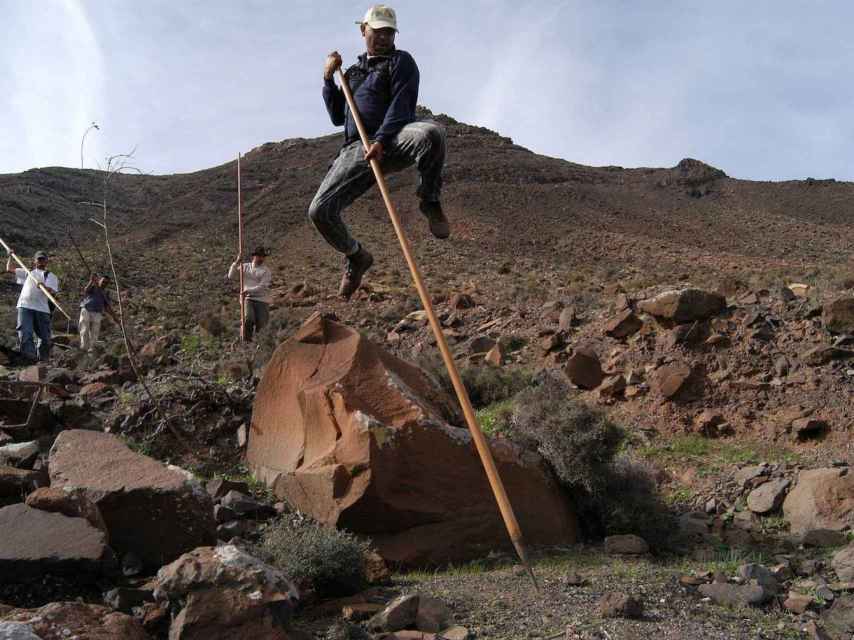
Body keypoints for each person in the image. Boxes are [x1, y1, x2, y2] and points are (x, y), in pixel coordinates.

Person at [309, 4, 449, 301]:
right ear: (364, 31)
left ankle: (430, 200)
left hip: (393, 137)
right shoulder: (354, 72)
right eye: (378, 31)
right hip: (355, 149)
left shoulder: (401, 61)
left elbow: (403, 104)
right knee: (319, 211)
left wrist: (382, 140)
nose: (384, 37)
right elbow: (337, 116)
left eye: (389, 32)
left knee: (432, 133)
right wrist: (328, 80)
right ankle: (356, 255)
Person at [5, 250, 59, 361]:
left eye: (43, 259)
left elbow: (52, 292)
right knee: (26, 333)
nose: (41, 261)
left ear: (47, 261)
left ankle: (43, 360)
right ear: (35, 261)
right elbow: (9, 269)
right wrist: (10, 256)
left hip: (42, 309)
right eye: (39, 259)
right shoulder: (27, 272)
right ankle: (28, 359)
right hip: (25, 306)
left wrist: (45, 287)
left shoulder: (51, 276)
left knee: (44, 338)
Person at [228, 246, 272, 340]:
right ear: (254, 256)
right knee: (248, 318)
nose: (261, 258)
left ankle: (260, 343)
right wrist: (236, 262)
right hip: (247, 298)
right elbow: (231, 276)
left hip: (262, 299)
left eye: (263, 256)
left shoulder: (266, 271)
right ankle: (246, 340)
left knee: (262, 324)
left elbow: (263, 287)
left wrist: (248, 290)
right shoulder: (245, 267)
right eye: (259, 256)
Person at [79, 274, 117, 352]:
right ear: (100, 280)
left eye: (106, 283)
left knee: (95, 331)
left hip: (97, 312)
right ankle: (84, 347)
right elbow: (86, 290)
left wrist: (114, 317)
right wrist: (91, 281)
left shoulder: (106, 293)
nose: (104, 284)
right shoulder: (94, 287)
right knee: (84, 328)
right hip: (87, 309)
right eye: (103, 281)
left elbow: (107, 307)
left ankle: (92, 348)